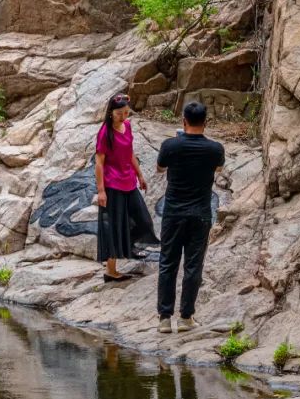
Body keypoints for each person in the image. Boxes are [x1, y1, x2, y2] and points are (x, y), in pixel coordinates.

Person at [155, 99, 225, 331]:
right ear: (205, 123)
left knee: (167, 263)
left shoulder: (170, 146)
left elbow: (160, 168)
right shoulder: (215, 149)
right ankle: (186, 317)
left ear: (183, 121)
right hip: (200, 214)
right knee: (193, 266)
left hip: (173, 212)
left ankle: (165, 319)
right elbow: (218, 169)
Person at [95, 93, 158, 282]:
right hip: (112, 184)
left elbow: (130, 152)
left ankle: (129, 247)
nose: (123, 117)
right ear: (111, 113)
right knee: (114, 225)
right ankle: (111, 271)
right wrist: (101, 190)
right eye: (119, 114)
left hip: (128, 181)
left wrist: (140, 175)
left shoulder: (127, 126)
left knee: (143, 219)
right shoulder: (105, 133)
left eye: (126, 113)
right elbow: (99, 163)